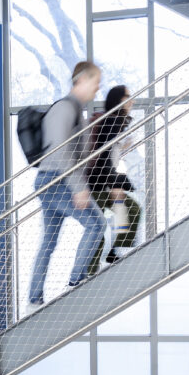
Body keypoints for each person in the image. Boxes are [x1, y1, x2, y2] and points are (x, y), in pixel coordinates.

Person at [28, 61, 106, 309]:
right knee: (97, 223)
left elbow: (76, 154)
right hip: (56, 181)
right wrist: (78, 187)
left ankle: (34, 297)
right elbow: (60, 152)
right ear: (81, 80)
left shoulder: (75, 110)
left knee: (49, 241)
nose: (98, 88)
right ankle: (76, 282)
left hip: (54, 181)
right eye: (96, 82)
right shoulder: (64, 107)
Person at [86, 85, 142, 276]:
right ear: (118, 100)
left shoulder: (115, 122)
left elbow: (108, 155)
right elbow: (102, 159)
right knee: (98, 226)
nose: (131, 100)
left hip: (101, 180)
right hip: (96, 183)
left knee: (130, 210)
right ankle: (91, 271)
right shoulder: (112, 122)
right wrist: (116, 184)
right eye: (128, 96)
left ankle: (114, 253)